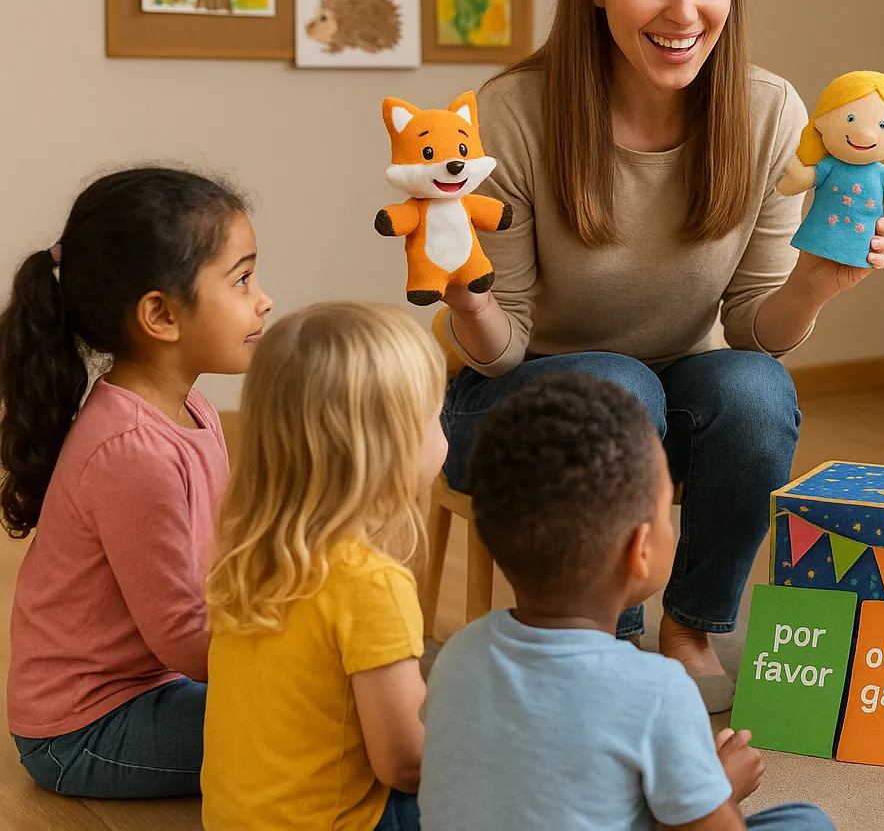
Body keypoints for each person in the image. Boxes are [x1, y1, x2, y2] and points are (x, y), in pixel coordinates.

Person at [436, 0, 884, 711]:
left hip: (672, 403)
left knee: (753, 392)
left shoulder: (769, 113)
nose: (685, 12)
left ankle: (690, 629)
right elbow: (505, 347)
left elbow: (752, 329)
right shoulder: (511, 114)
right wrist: (468, 299)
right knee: (618, 386)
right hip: (519, 410)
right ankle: (600, 640)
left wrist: (817, 282)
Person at [419, 373, 833, 831]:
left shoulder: (458, 656)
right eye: (664, 515)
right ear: (640, 550)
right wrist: (720, 788)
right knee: (805, 821)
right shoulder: (658, 690)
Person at [1, 167, 270, 798]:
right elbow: (186, 641)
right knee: (322, 719)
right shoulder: (133, 452)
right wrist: (295, 657)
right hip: (85, 730)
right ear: (161, 315)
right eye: (241, 280)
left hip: (158, 684)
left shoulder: (192, 409)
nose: (263, 299)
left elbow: (222, 557)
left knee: (342, 699)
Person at [202, 303, 443, 830]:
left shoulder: (251, 554)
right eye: (435, 415)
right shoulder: (372, 584)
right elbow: (405, 765)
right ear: (393, 448)